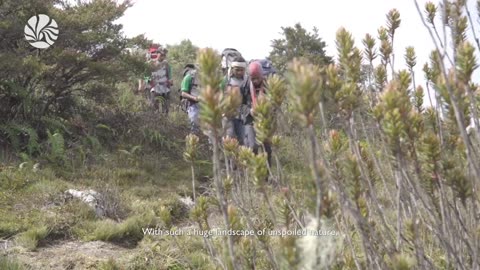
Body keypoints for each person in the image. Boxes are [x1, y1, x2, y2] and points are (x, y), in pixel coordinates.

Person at [242, 61, 272, 167]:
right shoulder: (245, 85)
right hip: (250, 120)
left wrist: (267, 109)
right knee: (253, 146)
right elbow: (240, 104)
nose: (255, 81)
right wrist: (249, 110)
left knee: (267, 147)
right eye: (252, 78)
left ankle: (267, 176)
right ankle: (255, 171)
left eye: (257, 78)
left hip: (265, 119)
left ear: (261, 75)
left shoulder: (268, 84)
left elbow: (275, 102)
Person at [220, 56, 248, 145]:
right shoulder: (225, 81)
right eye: (237, 70)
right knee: (229, 138)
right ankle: (228, 159)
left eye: (242, 70)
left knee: (243, 140)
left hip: (241, 115)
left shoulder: (247, 81)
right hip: (227, 115)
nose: (239, 72)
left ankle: (241, 158)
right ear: (232, 69)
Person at [139, 47, 173, 115]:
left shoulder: (167, 64)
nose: (163, 56)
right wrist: (149, 82)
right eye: (161, 54)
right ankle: (154, 122)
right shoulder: (150, 63)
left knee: (166, 109)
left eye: (164, 55)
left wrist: (170, 81)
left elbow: (170, 76)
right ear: (157, 53)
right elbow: (145, 75)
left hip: (165, 88)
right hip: (154, 88)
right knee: (154, 108)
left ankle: (165, 122)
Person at [180, 64, 201, 134]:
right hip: (192, 104)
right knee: (194, 124)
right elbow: (183, 93)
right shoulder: (189, 77)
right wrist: (195, 98)